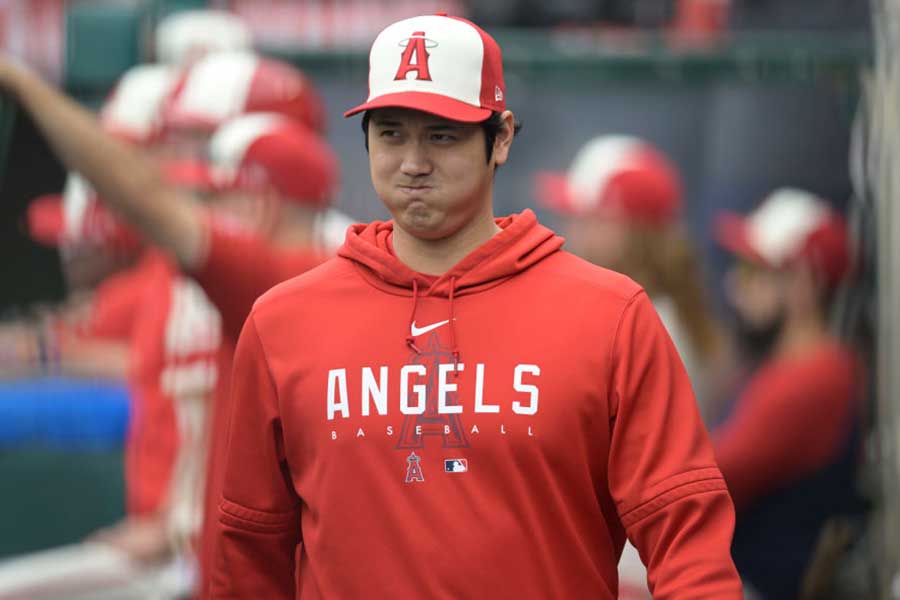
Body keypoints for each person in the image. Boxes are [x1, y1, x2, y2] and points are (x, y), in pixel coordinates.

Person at [209, 13, 741, 599]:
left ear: (503, 136)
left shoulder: (610, 315)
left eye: (442, 134)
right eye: (390, 133)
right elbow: (250, 554)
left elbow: (686, 535)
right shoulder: (284, 321)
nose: (413, 162)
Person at [712, 188, 867, 599]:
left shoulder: (812, 377)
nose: (734, 285)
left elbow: (710, 480)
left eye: (752, 271)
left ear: (802, 283)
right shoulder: (792, 366)